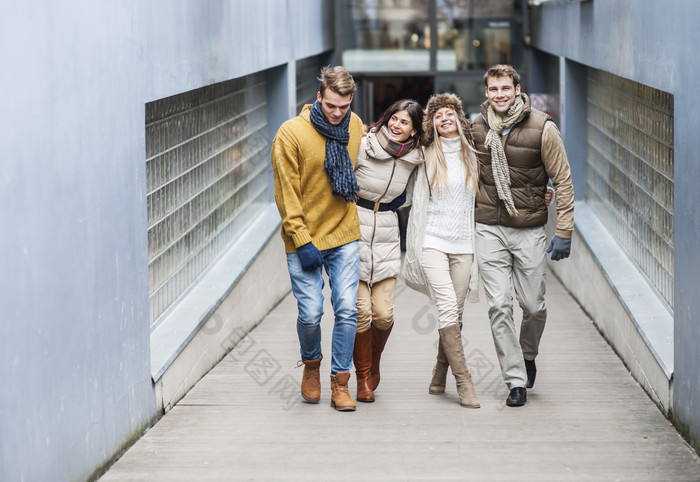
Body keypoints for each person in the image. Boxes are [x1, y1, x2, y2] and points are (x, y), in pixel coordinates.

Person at [471, 64, 575, 407]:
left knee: (533, 305)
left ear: (517, 89)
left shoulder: (543, 127)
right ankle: (515, 379)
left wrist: (563, 230)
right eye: (493, 89)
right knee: (499, 306)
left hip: (528, 228)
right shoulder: (477, 127)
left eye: (505, 88)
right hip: (488, 227)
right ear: (486, 92)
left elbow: (562, 180)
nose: (499, 94)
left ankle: (528, 353)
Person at [270, 66, 364, 412]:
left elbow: (376, 155)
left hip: (344, 233)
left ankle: (341, 382)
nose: (338, 113)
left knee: (346, 310)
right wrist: (301, 238)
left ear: (351, 99)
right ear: (319, 97)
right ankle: (311, 365)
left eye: (344, 106)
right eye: (331, 106)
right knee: (310, 314)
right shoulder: (291, 133)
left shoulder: (355, 126)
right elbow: (286, 192)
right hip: (305, 237)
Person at [401, 93, 481, 409]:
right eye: (437, 115)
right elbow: (394, 172)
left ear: (459, 119)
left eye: (449, 113)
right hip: (431, 241)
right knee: (447, 305)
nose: (444, 118)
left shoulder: (474, 154)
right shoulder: (423, 155)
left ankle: (439, 370)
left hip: (464, 245)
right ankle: (465, 383)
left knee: (455, 314)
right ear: (431, 124)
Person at [352, 99, 425, 402]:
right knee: (361, 313)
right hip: (353, 227)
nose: (397, 125)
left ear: (414, 131)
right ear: (385, 119)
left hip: (387, 232)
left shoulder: (416, 157)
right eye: (393, 119)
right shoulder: (363, 145)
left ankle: (374, 361)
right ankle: (362, 376)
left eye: (405, 122)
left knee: (382, 315)